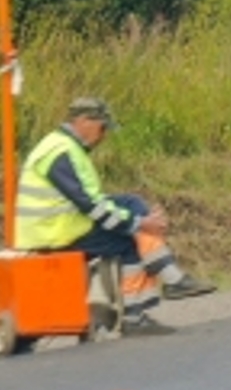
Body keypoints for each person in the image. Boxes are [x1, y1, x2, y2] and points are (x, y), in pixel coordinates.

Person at [15, 97, 216, 334]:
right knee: (127, 240)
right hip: (54, 233)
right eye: (102, 127)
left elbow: (93, 201)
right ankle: (138, 313)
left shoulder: (63, 146)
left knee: (131, 202)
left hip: (61, 225)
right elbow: (89, 204)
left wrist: (139, 220)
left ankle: (170, 277)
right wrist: (138, 223)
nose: (104, 136)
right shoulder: (61, 152)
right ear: (83, 121)